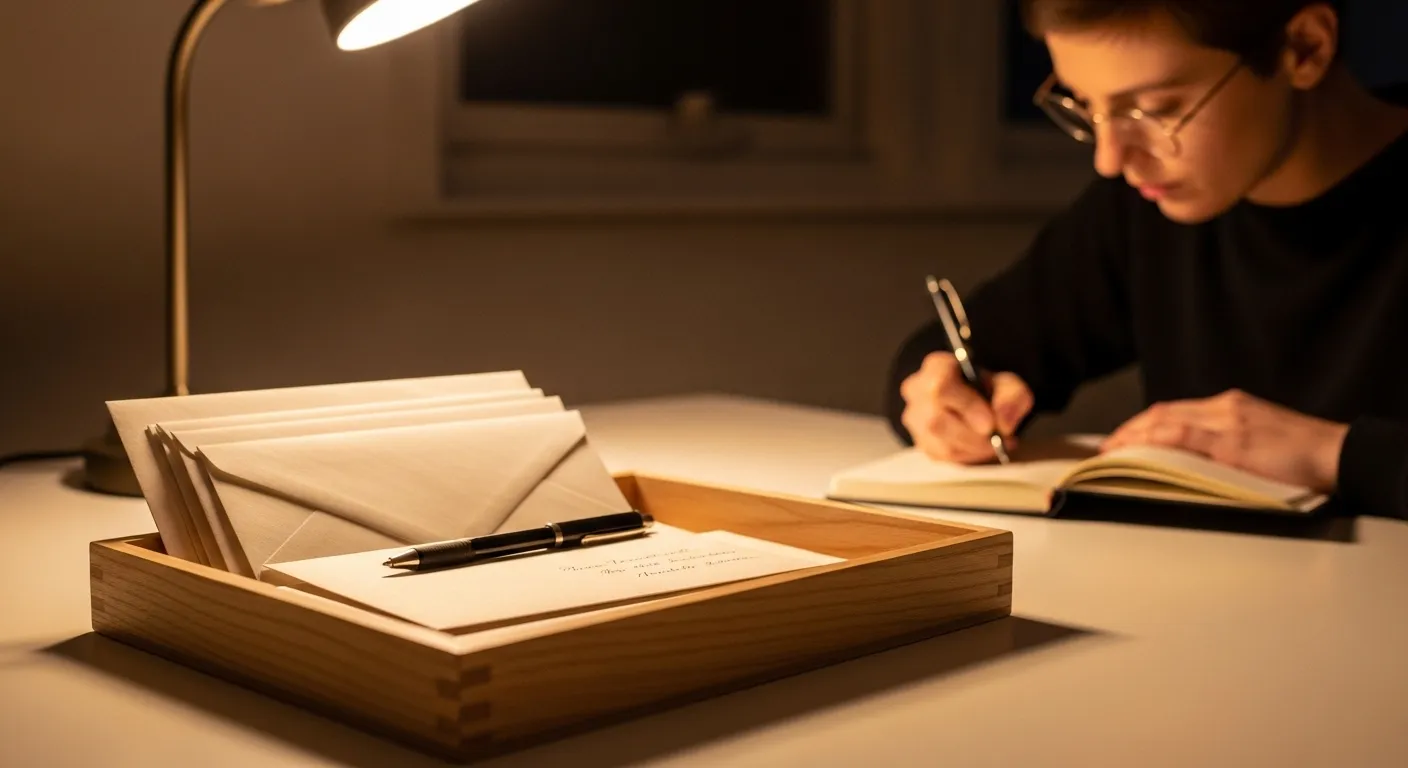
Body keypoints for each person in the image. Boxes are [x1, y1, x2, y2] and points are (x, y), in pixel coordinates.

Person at [884, 0, 1408, 517]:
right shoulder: (1147, 206)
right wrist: (944, 398)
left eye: (1157, 110)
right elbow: (952, 350)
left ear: (1304, 48)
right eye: (1086, 106)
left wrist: (1334, 454)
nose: (1109, 159)